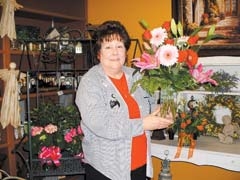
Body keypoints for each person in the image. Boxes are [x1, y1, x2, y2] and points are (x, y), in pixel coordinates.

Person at [75, 20, 173, 180]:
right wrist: (142, 124)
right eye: (108, 47)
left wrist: (162, 112)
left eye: (119, 46)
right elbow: (101, 125)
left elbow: (150, 104)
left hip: (140, 163)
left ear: (126, 51)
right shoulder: (90, 82)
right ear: (99, 53)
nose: (115, 52)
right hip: (107, 170)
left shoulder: (136, 76)